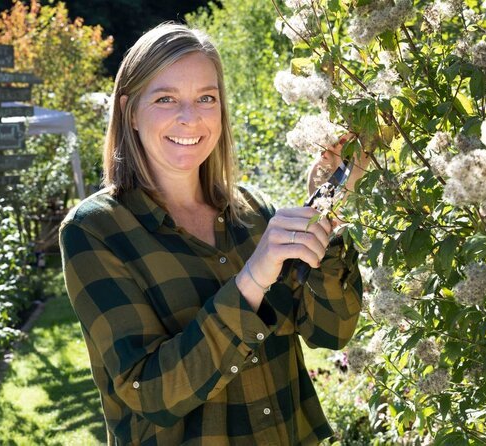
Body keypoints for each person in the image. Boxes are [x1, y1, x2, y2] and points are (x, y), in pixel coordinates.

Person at [59, 22, 363, 445]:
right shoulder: (95, 230)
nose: (190, 117)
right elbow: (149, 391)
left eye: (206, 98)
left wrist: (322, 209)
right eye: (166, 99)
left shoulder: (254, 212)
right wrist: (253, 278)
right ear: (129, 110)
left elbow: (330, 331)